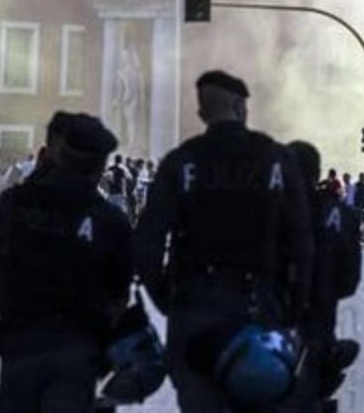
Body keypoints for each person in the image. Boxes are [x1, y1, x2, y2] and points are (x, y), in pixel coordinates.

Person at [133, 70, 314, 413]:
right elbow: (302, 243)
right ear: (241, 107)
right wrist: (293, 305)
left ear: (202, 113)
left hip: (195, 310)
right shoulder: (275, 159)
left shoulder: (182, 161)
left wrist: (168, 299)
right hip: (259, 308)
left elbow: (147, 244)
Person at [0, 114, 133, 412]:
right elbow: (119, 296)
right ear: (100, 165)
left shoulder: (14, 203)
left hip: (19, 344)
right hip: (78, 350)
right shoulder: (110, 220)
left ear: (58, 154)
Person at [287, 141, 363, 413]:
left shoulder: (271, 209)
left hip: (272, 326)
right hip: (319, 324)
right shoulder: (343, 215)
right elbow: (349, 282)